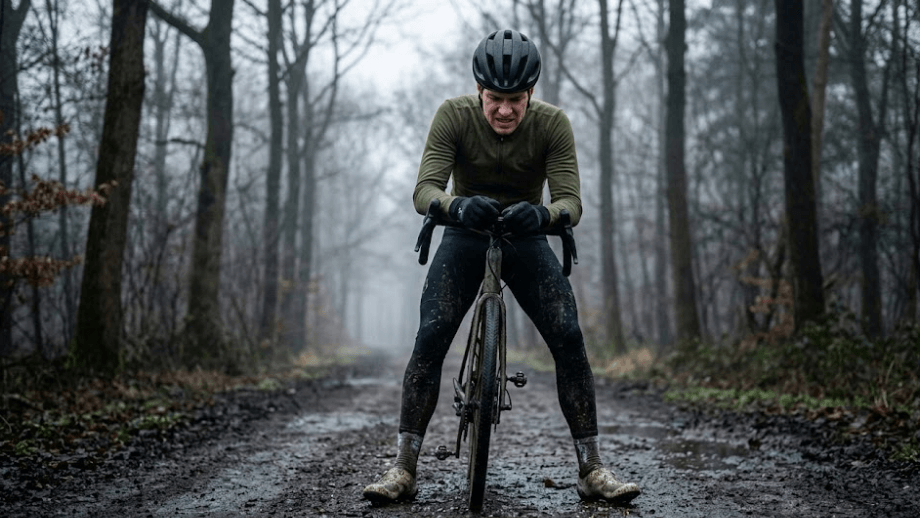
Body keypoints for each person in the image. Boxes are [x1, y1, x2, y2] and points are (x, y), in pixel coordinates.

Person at [363, 29, 640, 506]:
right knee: (430, 336)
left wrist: (546, 215)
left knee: (569, 338)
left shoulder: (553, 124)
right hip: (465, 231)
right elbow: (424, 190)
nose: (505, 110)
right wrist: (453, 208)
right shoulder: (453, 116)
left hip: (526, 234)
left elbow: (571, 201)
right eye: (495, 99)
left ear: (530, 94)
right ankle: (403, 468)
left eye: (515, 100)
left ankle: (592, 468)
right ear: (479, 92)